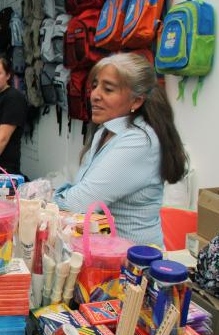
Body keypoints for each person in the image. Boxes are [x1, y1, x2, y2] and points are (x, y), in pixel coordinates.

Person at [53, 53, 187, 247]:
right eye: (94, 86)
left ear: (136, 101)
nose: (95, 95)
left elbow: (79, 203)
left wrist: (48, 199)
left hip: (133, 264)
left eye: (108, 89)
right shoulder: (105, 131)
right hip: (103, 252)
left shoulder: (140, 141)